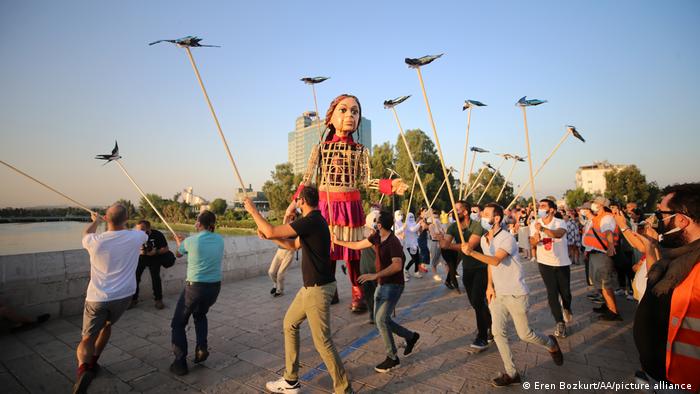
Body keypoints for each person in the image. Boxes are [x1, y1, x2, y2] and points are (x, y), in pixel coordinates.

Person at [291, 94, 407, 313]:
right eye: (343, 110)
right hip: (325, 206)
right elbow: (306, 180)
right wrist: (292, 206)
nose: (350, 115)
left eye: (355, 111)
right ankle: (329, 289)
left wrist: (389, 185)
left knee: (352, 255)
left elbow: (365, 181)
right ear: (331, 117)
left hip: (350, 206)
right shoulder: (320, 149)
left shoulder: (361, 151)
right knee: (324, 250)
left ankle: (358, 291)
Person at [245, 187, 352, 394]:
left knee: (322, 342)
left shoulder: (310, 221)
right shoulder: (314, 222)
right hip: (310, 288)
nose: (294, 203)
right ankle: (291, 380)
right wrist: (269, 238)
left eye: (296, 200)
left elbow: (271, 230)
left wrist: (253, 211)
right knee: (289, 324)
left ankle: (344, 389)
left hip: (318, 289)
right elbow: (293, 245)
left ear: (302, 201)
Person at [460, 203, 564, 387]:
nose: (481, 217)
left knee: (525, 334)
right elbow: (490, 265)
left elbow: (496, 260)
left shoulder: (507, 238)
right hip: (497, 294)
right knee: (498, 333)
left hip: (516, 293)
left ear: (497, 218)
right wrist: (489, 286)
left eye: (485, 214)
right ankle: (511, 372)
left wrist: (471, 252)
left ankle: (550, 343)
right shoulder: (484, 239)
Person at [333, 210, 420, 373]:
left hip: (393, 285)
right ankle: (410, 336)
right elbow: (358, 245)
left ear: (379, 225)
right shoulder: (377, 237)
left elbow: (397, 266)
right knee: (383, 319)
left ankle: (392, 358)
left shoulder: (393, 242)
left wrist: (375, 275)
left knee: (380, 320)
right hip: (382, 284)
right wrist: (338, 241)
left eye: (376, 221)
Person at [73, 204, 147, 394]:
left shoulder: (94, 241)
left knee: (87, 338)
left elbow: (85, 233)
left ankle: (83, 370)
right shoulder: (136, 237)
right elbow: (143, 230)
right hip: (123, 296)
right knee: (106, 325)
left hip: (97, 297)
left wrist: (96, 221)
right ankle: (94, 362)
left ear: (107, 218)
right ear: (127, 219)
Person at [633, 183, 700, 390]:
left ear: (681, 220)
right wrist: (651, 247)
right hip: (660, 372)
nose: (657, 222)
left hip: (683, 381)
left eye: (661, 215)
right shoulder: (675, 256)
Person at [169, 210, 224, 376]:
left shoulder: (191, 241)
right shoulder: (220, 240)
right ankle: (201, 347)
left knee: (178, 323)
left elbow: (178, 254)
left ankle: (180, 362)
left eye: (196, 222)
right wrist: (184, 242)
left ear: (199, 224)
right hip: (214, 287)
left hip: (195, 288)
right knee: (200, 315)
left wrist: (180, 243)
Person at [439, 200, 490, 351]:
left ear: (466, 212)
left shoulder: (477, 225)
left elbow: (470, 246)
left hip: (481, 267)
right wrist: (440, 237)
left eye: (458, 209)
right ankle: (491, 324)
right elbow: (445, 245)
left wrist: (454, 246)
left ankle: (482, 337)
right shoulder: (453, 226)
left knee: (477, 300)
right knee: (475, 303)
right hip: (467, 268)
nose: (454, 212)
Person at [529, 199, 573, 338]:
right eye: (539, 206)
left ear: (552, 210)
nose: (540, 208)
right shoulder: (534, 224)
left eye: (543, 206)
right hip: (544, 263)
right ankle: (560, 323)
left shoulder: (559, 222)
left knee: (565, 292)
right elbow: (532, 243)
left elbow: (557, 234)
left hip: (561, 263)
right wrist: (535, 239)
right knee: (552, 292)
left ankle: (566, 307)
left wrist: (542, 229)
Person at [582, 197, 622, 321]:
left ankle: (613, 311)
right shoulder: (597, 218)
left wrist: (610, 246)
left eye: (595, 203)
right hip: (594, 253)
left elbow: (608, 232)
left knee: (605, 284)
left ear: (601, 205)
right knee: (599, 282)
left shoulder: (606, 217)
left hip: (602, 254)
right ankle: (607, 306)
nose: (592, 204)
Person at [131, 220, 175, 310]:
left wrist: (156, 252)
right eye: (138, 229)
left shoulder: (157, 234)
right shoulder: (135, 235)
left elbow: (166, 248)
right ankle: (133, 300)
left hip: (155, 258)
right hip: (141, 258)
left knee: (155, 278)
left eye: (142, 229)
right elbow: (131, 248)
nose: (140, 232)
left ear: (148, 228)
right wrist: (141, 251)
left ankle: (158, 300)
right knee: (135, 278)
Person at [268, 211, 297, 297]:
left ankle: (280, 291)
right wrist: (286, 216)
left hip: (289, 252)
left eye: (293, 216)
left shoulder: (296, 228)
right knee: (271, 272)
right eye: (290, 216)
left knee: (280, 274)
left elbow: (285, 236)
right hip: (279, 251)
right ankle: (275, 285)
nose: (291, 218)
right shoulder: (285, 225)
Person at [359, 208, 380, 324]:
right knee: (368, 293)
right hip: (366, 267)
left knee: (377, 293)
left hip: (376, 269)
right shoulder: (365, 232)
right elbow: (357, 245)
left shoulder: (382, 236)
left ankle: (377, 314)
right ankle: (372, 314)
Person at [428, 210, 446, 282]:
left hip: (441, 243)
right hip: (435, 243)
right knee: (434, 260)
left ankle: (449, 275)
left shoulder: (439, 225)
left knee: (444, 260)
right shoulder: (431, 225)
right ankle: (435, 274)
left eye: (437, 217)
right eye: (434, 217)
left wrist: (441, 232)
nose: (436, 219)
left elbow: (444, 233)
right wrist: (439, 234)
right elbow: (434, 236)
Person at [403, 212, 423, 278]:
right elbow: (412, 229)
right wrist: (419, 223)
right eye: (410, 217)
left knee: (416, 258)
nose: (411, 218)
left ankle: (414, 271)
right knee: (415, 259)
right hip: (409, 244)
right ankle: (408, 270)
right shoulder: (406, 224)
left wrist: (420, 225)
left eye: (412, 216)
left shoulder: (414, 223)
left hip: (415, 243)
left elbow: (416, 230)